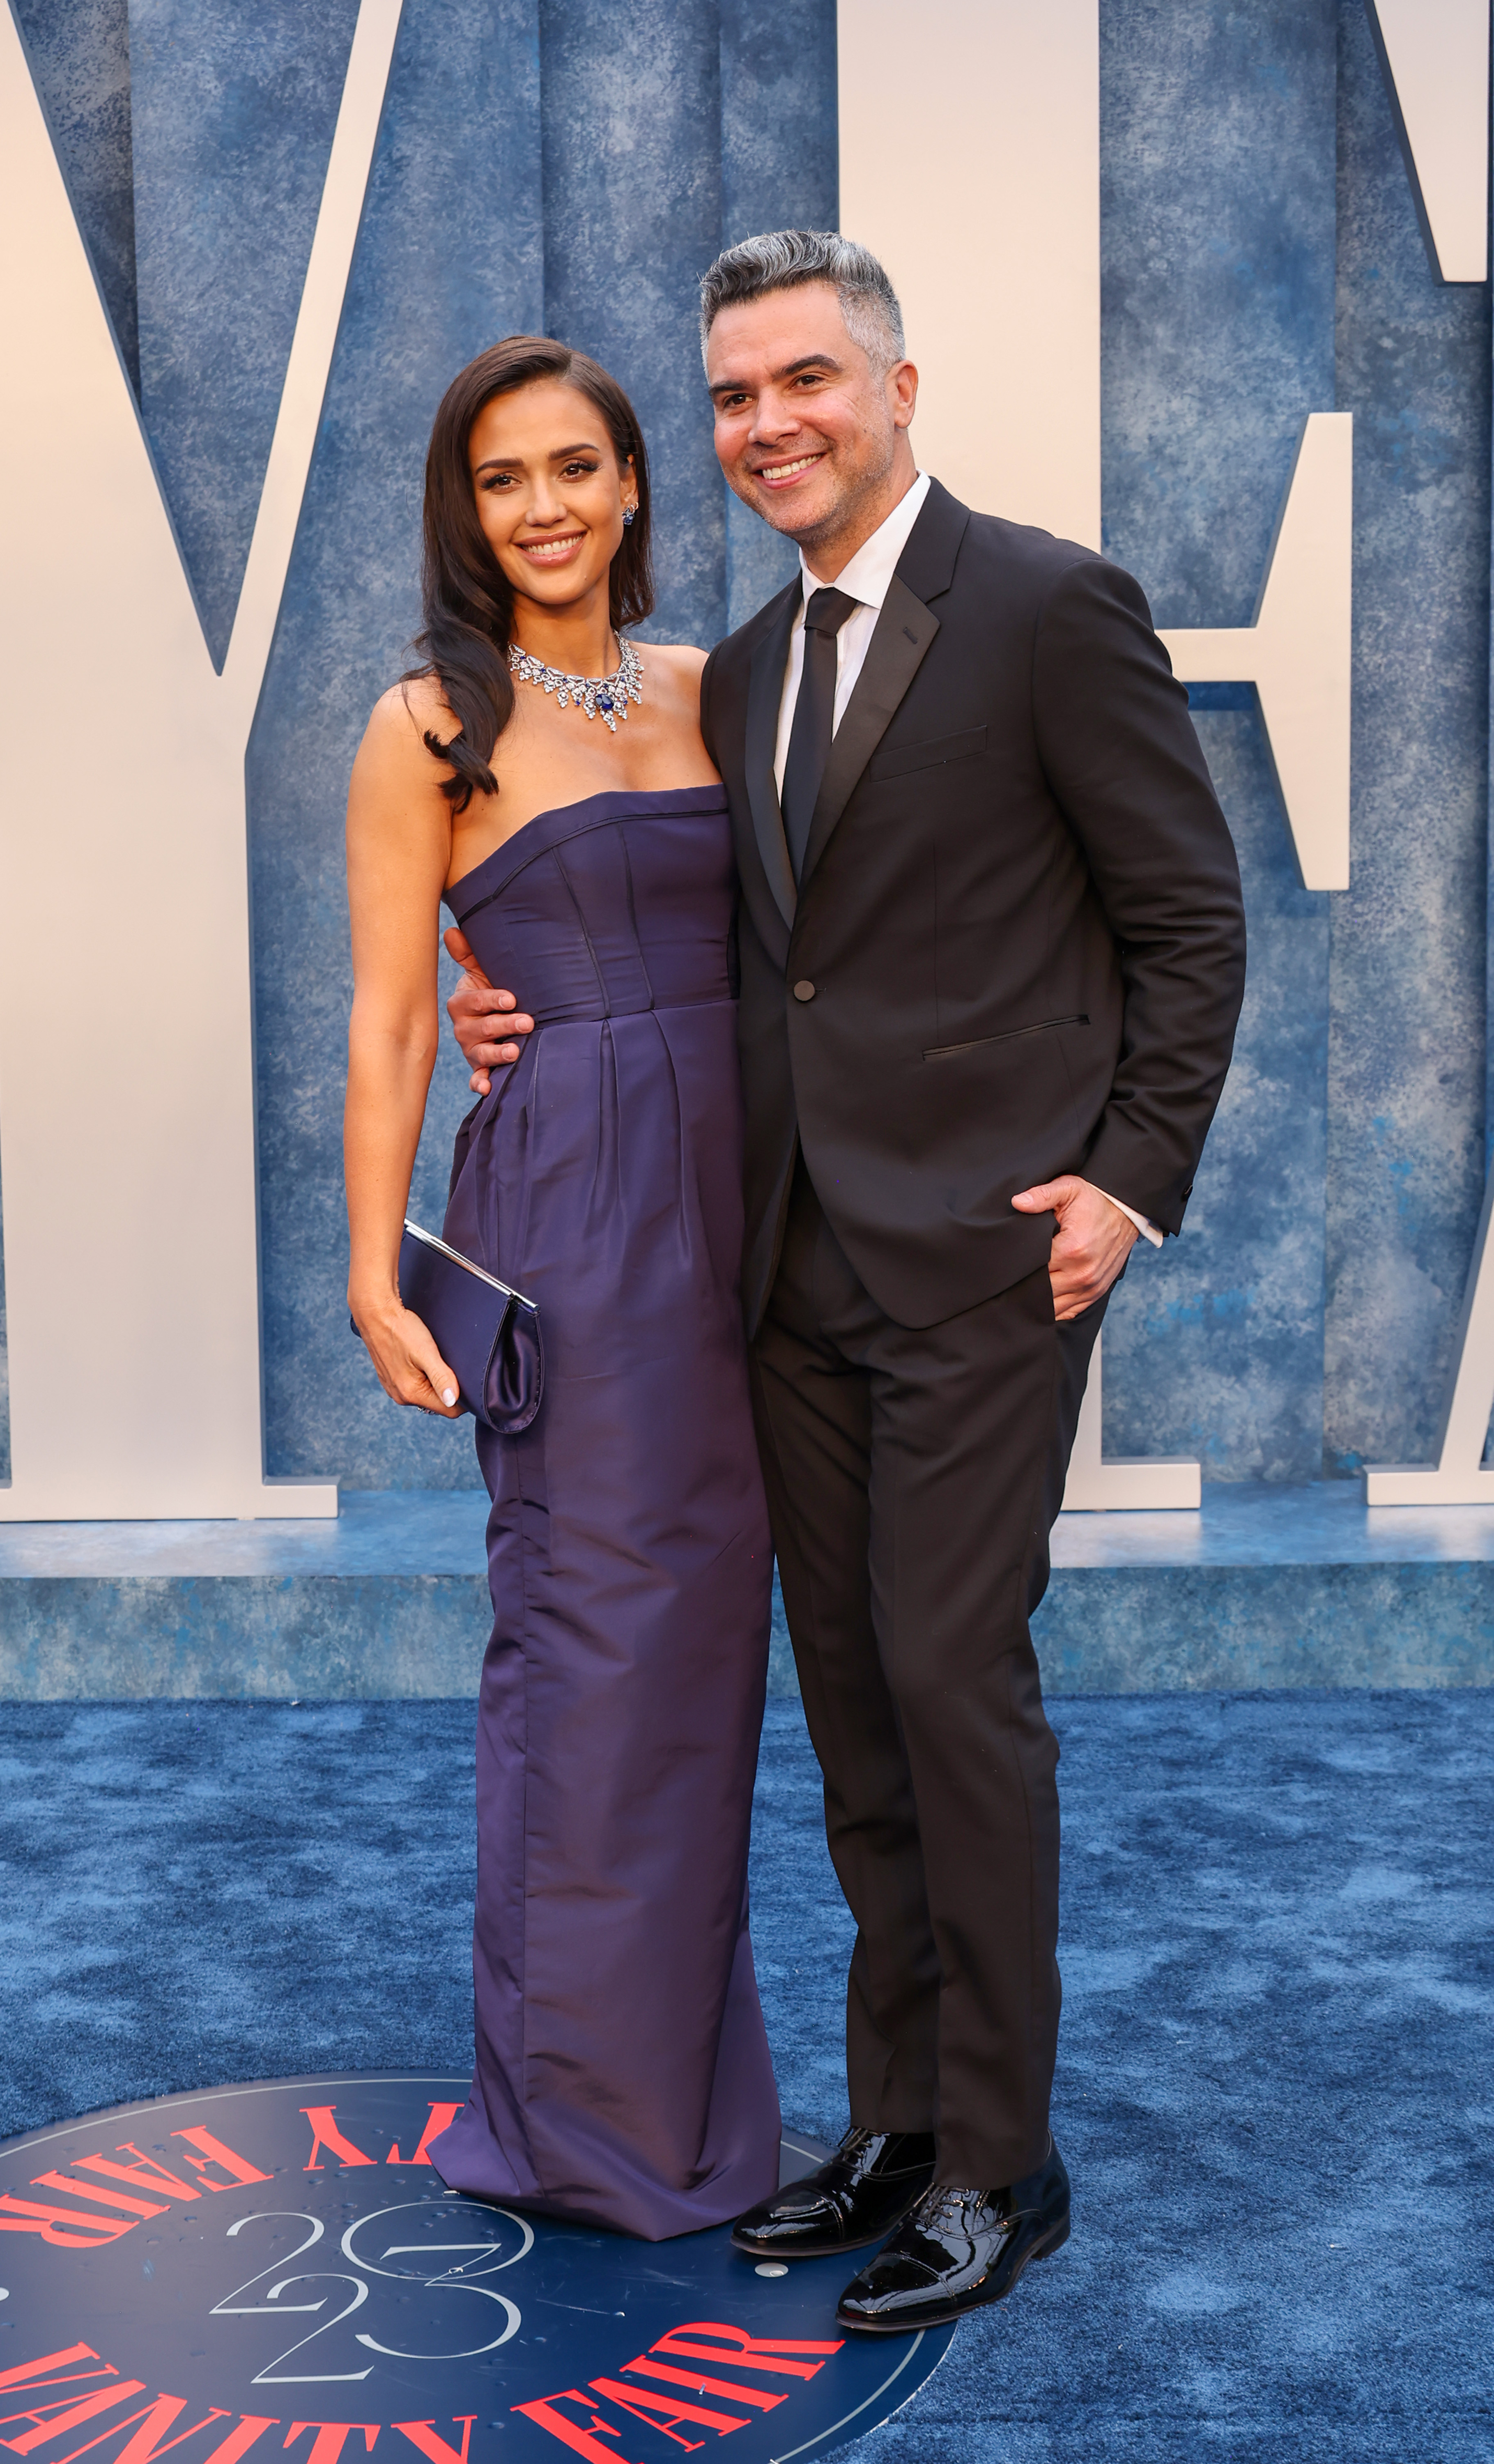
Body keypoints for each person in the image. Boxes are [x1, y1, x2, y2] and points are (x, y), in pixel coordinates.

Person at [448, 233, 1248, 2328]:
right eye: (730, 397)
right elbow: (709, 939)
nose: (766, 425)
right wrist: (491, 991)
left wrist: (1123, 1184)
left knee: (954, 1693)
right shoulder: (734, 662)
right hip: (784, 1268)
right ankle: (895, 2125)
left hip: (992, 1266)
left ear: (897, 388)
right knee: (860, 1720)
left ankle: (1003, 2165)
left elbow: (1187, 920)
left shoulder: (1050, 607)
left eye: (804, 378)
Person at [344, 334, 781, 2239]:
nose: (546, 509)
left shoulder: (721, 688)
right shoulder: (423, 723)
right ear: (467, 506)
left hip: (758, 1201)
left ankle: (689, 2104)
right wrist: (373, 1280)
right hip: (576, 1216)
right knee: (596, 1651)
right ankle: (576, 2124)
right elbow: (385, 1025)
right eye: (505, 478)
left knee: (709, 1661)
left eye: (578, 468)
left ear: (632, 485)